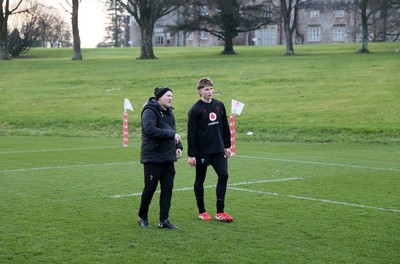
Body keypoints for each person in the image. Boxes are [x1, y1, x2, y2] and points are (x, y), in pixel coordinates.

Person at [187, 77, 234, 222]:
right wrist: (191, 155)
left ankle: (220, 212)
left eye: (211, 89)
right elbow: (191, 134)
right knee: (200, 179)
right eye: (206, 89)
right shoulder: (195, 110)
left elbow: (225, 128)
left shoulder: (219, 105)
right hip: (202, 152)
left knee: (224, 175)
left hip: (219, 150)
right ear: (199, 91)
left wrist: (227, 146)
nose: (210, 92)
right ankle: (202, 211)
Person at [137, 86, 183, 229]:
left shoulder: (169, 112)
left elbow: (173, 131)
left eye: (171, 96)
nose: (170, 98)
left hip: (167, 157)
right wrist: (171, 135)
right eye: (168, 95)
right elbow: (150, 130)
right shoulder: (149, 111)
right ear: (159, 97)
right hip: (153, 156)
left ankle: (164, 220)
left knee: (167, 189)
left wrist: (178, 146)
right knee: (150, 188)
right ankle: (142, 217)